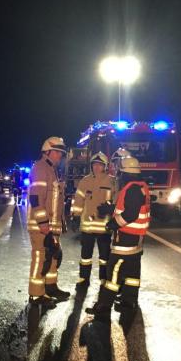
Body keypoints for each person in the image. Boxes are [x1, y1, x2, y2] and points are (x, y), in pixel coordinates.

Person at [85, 156, 151, 321]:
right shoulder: (140, 186)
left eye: (120, 172)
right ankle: (129, 302)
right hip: (135, 241)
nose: (118, 176)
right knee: (132, 274)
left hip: (125, 241)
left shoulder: (131, 189)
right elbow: (129, 207)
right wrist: (110, 208)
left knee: (113, 273)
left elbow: (130, 214)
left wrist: (112, 224)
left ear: (125, 173)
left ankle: (103, 306)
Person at [27, 137, 70, 307]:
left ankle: (51, 287)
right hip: (41, 226)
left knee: (52, 256)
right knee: (41, 257)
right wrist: (43, 223)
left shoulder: (51, 170)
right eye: (57, 152)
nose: (60, 156)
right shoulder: (40, 168)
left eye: (61, 153)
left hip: (51, 225)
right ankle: (36, 294)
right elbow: (36, 198)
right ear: (47, 151)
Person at [70, 152, 116, 291]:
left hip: (104, 226)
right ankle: (84, 279)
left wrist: (111, 209)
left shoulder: (112, 181)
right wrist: (75, 216)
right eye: (94, 164)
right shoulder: (85, 181)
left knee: (104, 256)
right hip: (88, 227)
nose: (97, 167)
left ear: (105, 166)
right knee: (85, 256)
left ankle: (104, 278)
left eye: (100, 165)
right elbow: (79, 200)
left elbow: (117, 199)